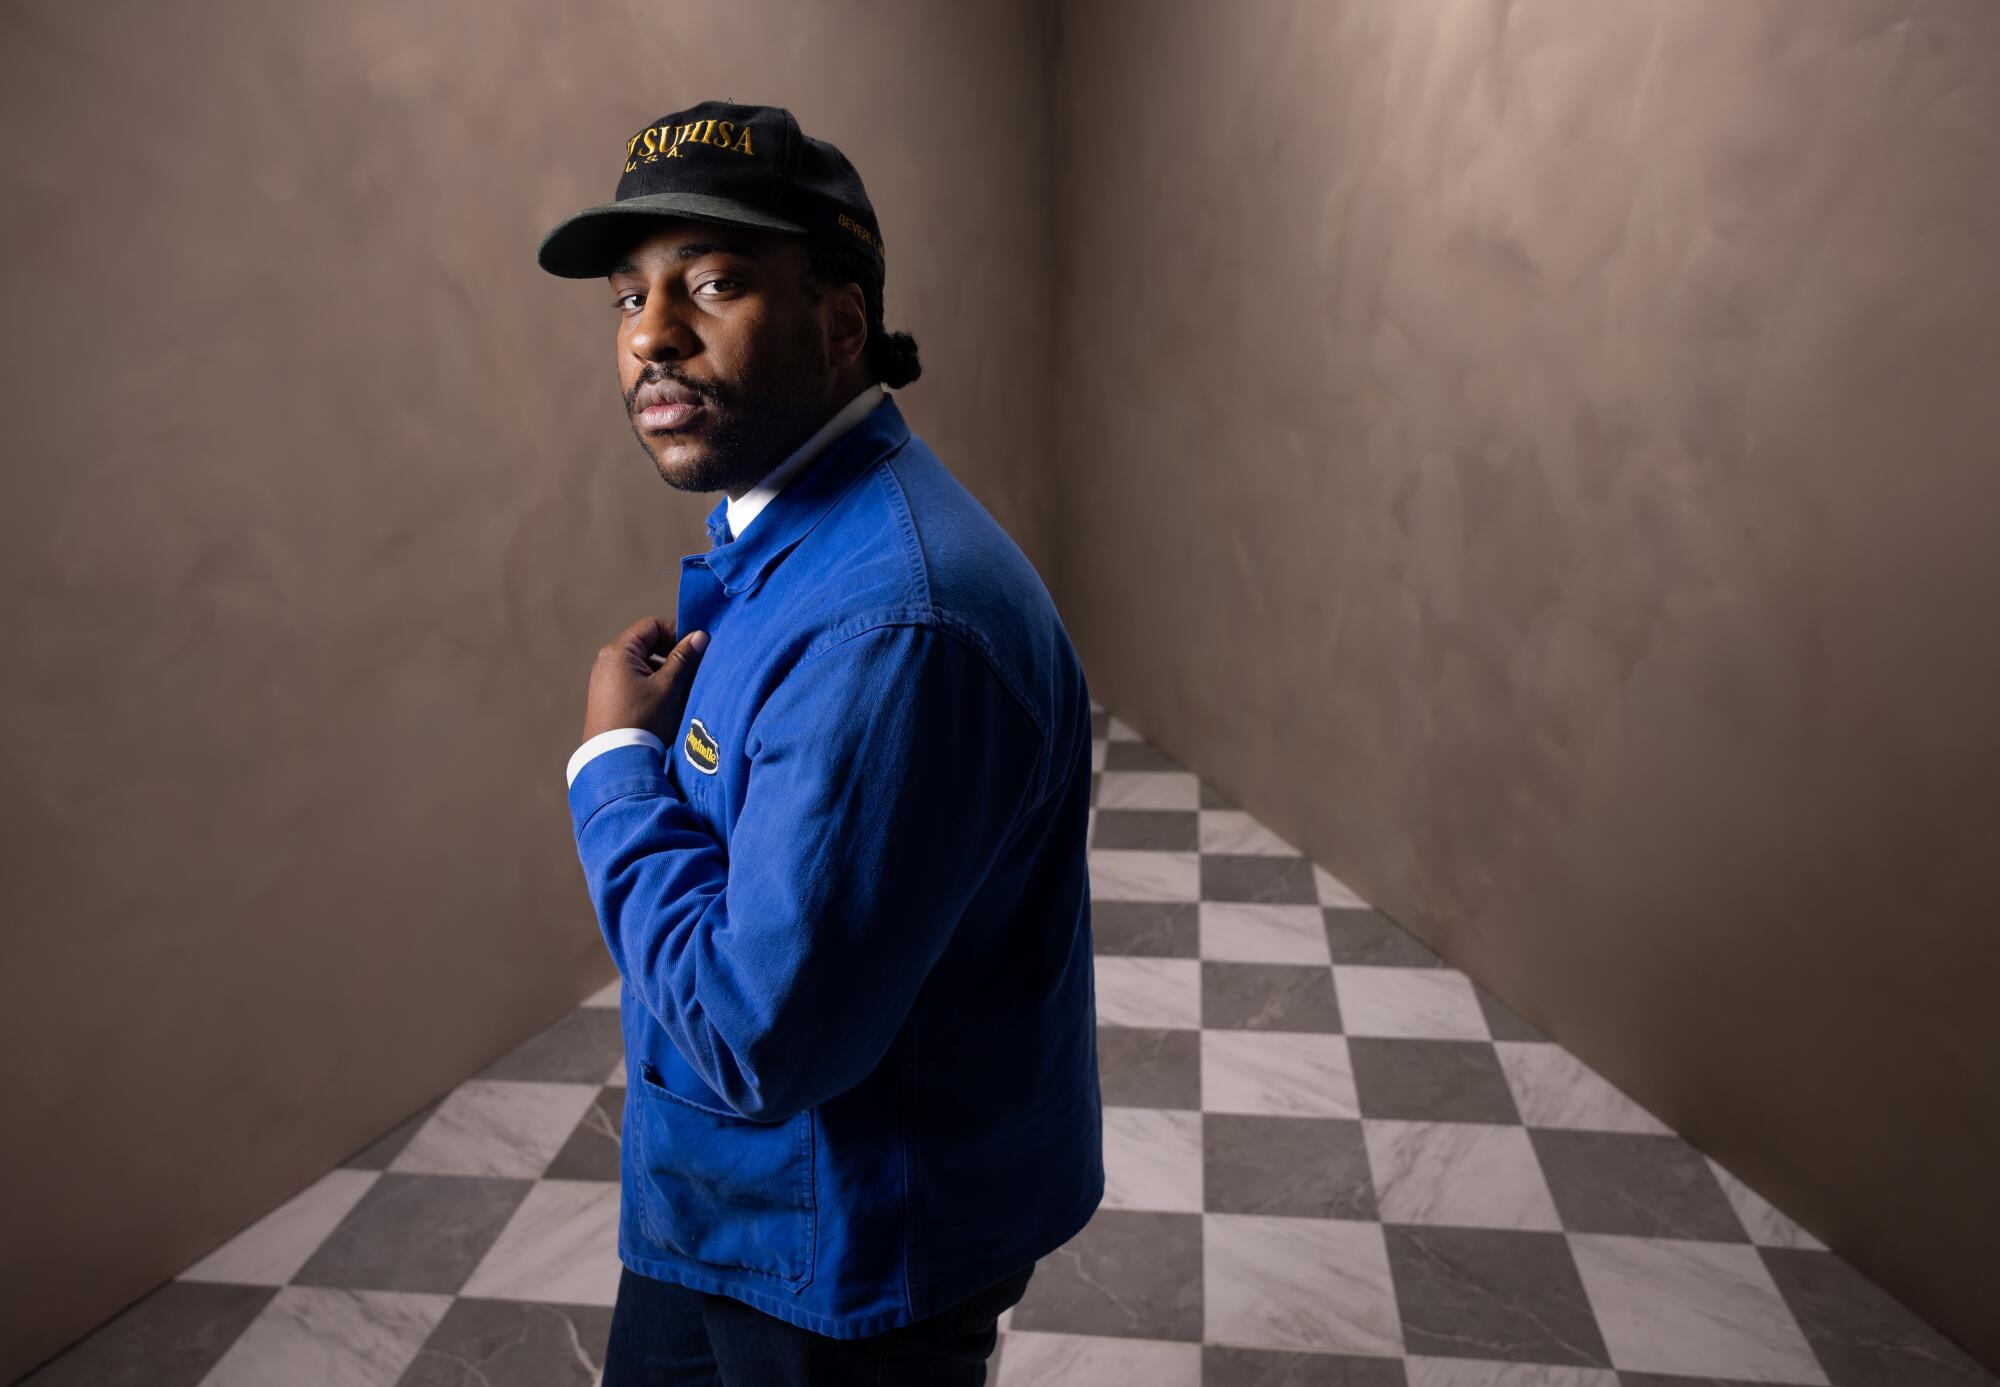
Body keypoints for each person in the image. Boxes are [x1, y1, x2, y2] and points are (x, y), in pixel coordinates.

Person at [536, 100, 1104, 1385]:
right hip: (736, 1208)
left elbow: (757, 1037)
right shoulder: (798, 537)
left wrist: (610, 772)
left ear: (842, 321)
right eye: (629, 297)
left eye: (715, 282)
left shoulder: (893, 622)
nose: (652, 338)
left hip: (843, 1263)